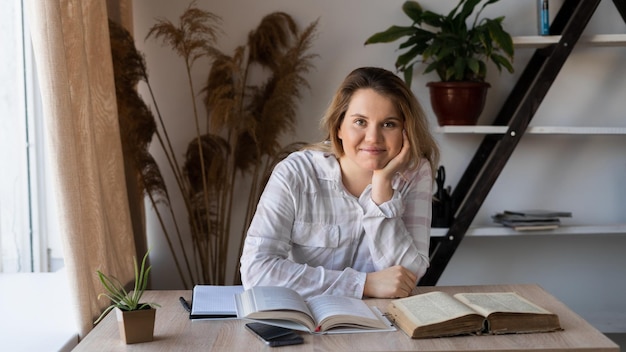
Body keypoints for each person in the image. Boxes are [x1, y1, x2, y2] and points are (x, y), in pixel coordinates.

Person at [240, 67, 440, 299]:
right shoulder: (296, 173)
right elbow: (256, 271)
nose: (373, 137)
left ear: (406, 130)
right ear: (338, 127)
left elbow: (409, 275)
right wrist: (362, 284)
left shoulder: (414, 173)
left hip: (382, 324)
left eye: (389, 124)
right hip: (306, 323)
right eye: (360, 122)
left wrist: (382, 188)